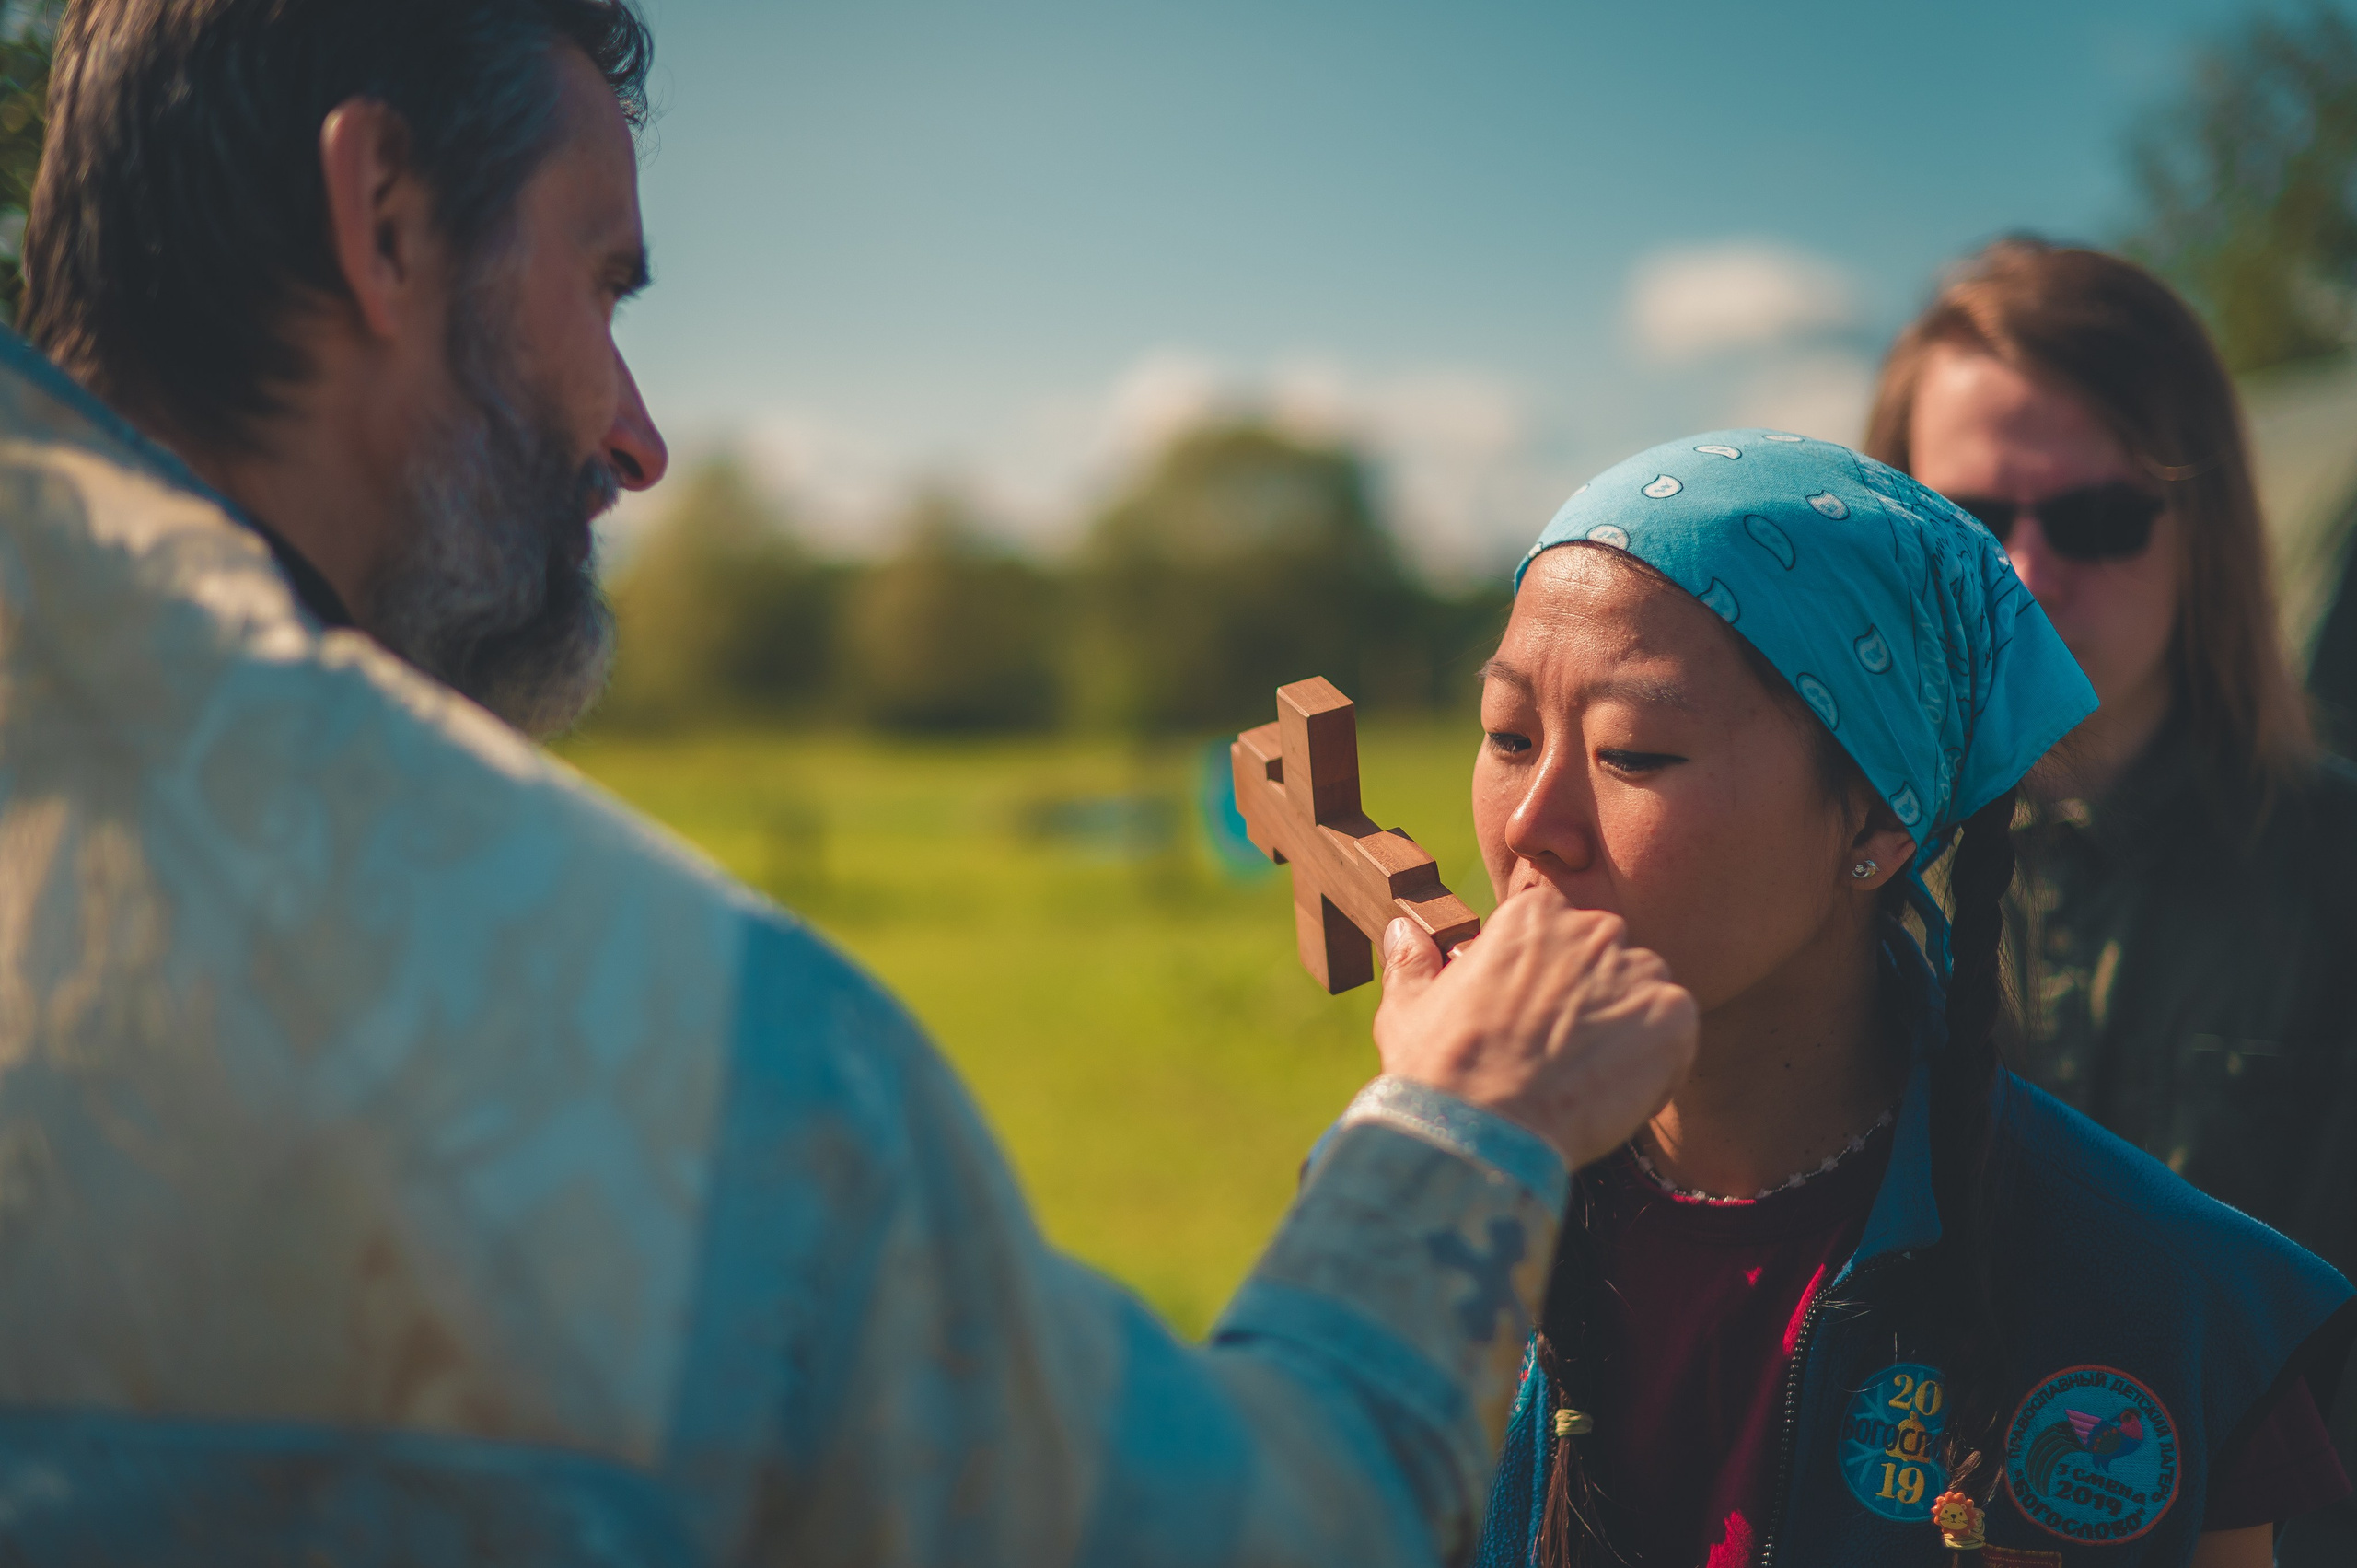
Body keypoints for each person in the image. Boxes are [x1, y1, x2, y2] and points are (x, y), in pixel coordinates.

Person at [0, 1, 1702, 1562]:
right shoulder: (694, 1056)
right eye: (601, 283)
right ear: (382, 219)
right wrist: (1464, 1129)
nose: (638, 434)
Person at [1450, 431, 2354, 1567]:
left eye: (1632, 751)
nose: (1532, 823)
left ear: (1879, 823)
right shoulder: (1443, 1212)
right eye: (1506, 734)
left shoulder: (2161, 1304)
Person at [1863, 238, 2357, 1564]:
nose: (2024, 578)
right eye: (1966, 525)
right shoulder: (1817, 878)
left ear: (2210, 536)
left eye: (2097, 519)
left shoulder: (2335, 871)